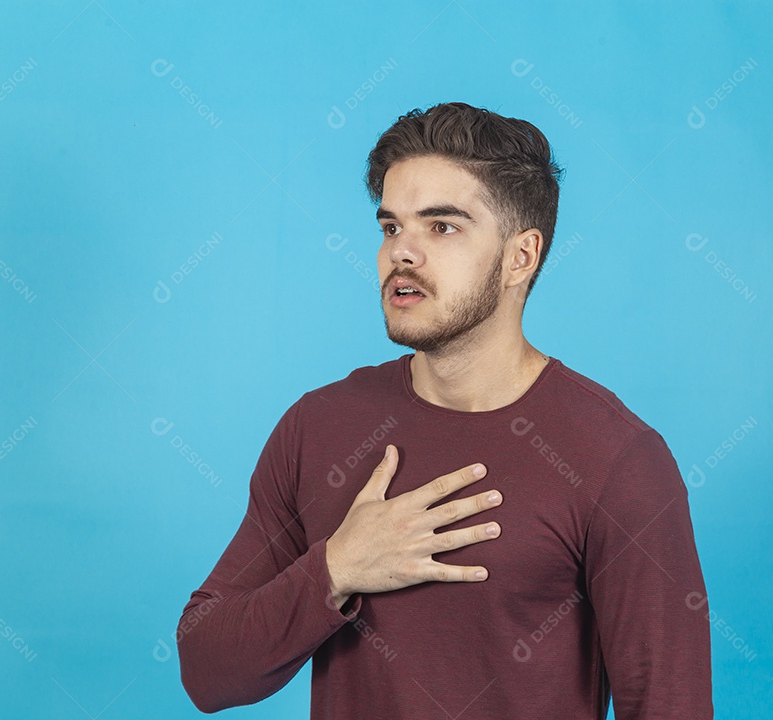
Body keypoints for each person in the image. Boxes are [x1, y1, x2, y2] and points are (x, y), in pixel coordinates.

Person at [177, 101, 713, 718]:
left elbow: (670, 706)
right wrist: (336, 566)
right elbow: (206, 671)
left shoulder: (617, 459)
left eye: (442, 226)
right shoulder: (317, 428)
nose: (402, 253)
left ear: (521, 255)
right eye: (390, 227)